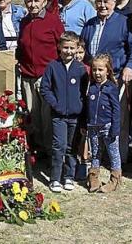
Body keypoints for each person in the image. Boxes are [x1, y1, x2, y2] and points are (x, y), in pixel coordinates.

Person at [80, 0, 132, 164]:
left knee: (116, 117)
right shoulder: (89, 24)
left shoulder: (123, 22)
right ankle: (96, 156)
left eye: (106, 2)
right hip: (94, 78)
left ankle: (117, 159)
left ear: (113, 3)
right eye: (99, 1)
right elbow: (84, 50)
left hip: (116, 78)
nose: (102, 5)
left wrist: (130, 67)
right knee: (95, 115)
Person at [16, 0, 65, 161]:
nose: (33, 5)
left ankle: (51, 153)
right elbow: (20, 47)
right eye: (29, 1)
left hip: (47, 76)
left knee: (48, 116)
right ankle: (38, 151)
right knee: (33, 115)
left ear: (44, 2)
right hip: (28, 76)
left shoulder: (53, 21)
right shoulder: (24, 22)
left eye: (37, 1)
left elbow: (62, 46)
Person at [40, 31, 89, 193]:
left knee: (71, 148)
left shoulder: (81, 69)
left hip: (75, 116)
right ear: (59, 47)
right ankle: (55, 178)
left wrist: (81, 110)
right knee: (59, 147)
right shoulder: (52, 67)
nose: (68, 51)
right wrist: (56, 105)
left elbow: (84, 93)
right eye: (65, 47)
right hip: (58, 116)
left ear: (77, 49)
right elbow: (45, 89)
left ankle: (69, 176)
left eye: (72, 48)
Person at [85, 54, 122, 193]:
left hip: (108, 126)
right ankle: (94, 178)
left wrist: (115, 128)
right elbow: (87, 107)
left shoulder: (111, 87)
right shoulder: (92, 87)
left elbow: (116, 109)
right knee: (95, 153)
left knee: (113, 153)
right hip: (93, 126)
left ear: (108, 70)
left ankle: (115, 180)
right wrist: (85, 124)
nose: (97, 73)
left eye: (100, 70)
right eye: (94, 69)